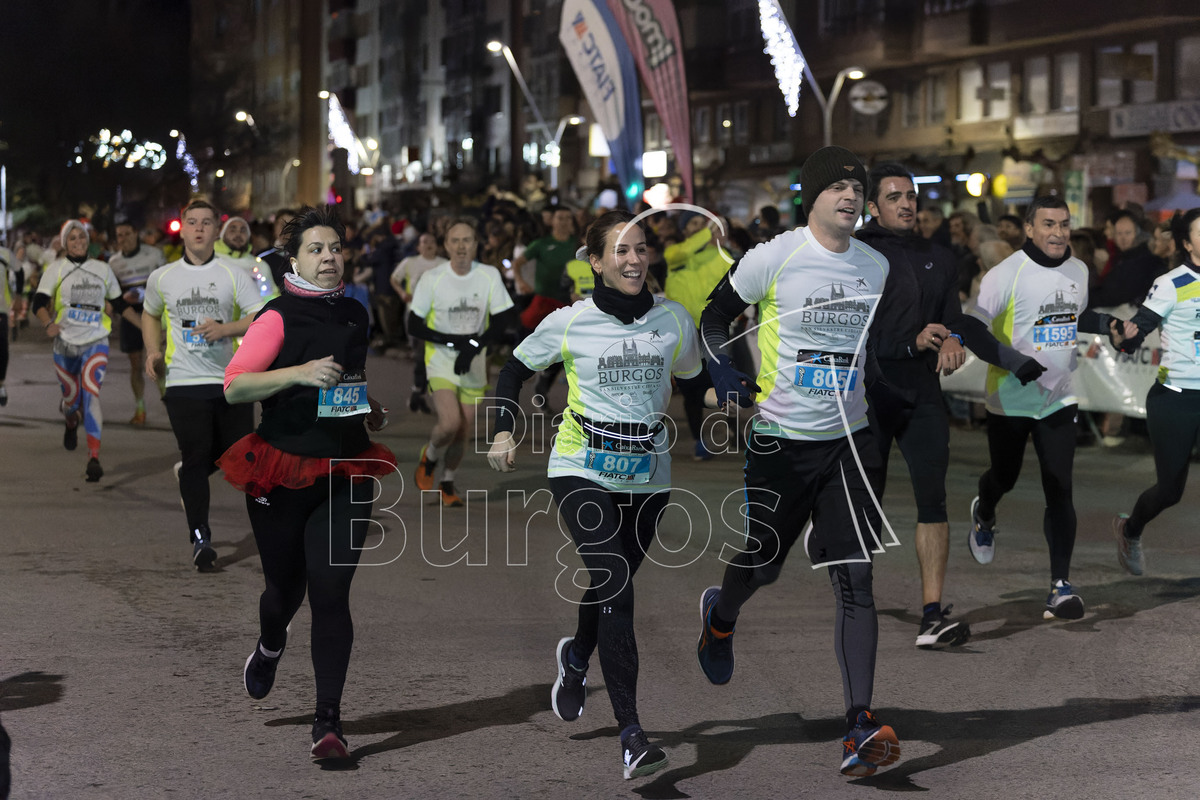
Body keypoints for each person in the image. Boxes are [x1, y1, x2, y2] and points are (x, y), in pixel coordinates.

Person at [695, 146, 901, 777]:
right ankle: (720, 618)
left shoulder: (876, 265)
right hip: (782, 439)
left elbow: (875, 344)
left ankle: (860, 726)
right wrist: (726, 374)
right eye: (837, 186)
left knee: (855, 577)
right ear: (811, 196)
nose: (850, 196)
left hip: (850, 439)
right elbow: (713, 318)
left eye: (857, 188)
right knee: (763, 565)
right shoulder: (775, 255)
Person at [487, 210, 702, 780]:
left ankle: (576, 655)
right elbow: (512, 370)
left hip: (649, 473)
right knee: (615, 584)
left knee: (616, 581)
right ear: (596, 262)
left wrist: (722, 393)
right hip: (580, 464)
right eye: (622, 251)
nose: (635, 260)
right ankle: (632, 733)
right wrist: (505, 429)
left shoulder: (673, 319)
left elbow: (693, 376)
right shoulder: (570, 321)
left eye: (641, 249)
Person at [218, 205, 394, 762]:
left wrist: (368, 407)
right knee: (282, 593)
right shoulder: (276, 316)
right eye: (316, 249)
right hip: (283, 468)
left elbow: (347, 382)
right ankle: (271, 645)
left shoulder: (355, 313)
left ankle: (329, 723)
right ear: (293, 260)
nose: (328, 257)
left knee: (331, 592)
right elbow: (235, 387)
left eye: (335, 248)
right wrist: (297, 373)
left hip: (346, 470)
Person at [857, 163, 1047, 649]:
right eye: (895, 196)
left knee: (933, 501)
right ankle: (855, 610)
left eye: (911, 195)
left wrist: (964, 344)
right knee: (865, 506)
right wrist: (909, 341)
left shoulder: (939, 258)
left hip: (922, 397)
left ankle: (931, 617)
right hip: (869, 396)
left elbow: (954, 322)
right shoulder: (855, 256)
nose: (906, 203)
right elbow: (853, 334)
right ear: (873, 206)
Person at [966, 195, 1125, 619]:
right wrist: (1013, 361)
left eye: (1064, 224)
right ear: (1030, 230)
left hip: (1059, 396)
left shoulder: (1078, 269)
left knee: (1060, 486)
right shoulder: (1006, 274)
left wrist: (1108, 324)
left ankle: (1060, 587)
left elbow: (1074, 316)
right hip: (1011, 398)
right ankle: (984, 511)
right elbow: (973, 330)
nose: (1058, 232)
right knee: (1005, 476)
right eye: (1048, 224)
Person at [142, 199, 266, 569]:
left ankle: (189, 476)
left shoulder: (233, 273)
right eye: (191, 222)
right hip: (183, 380)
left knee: (239, 458)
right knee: (196, 456)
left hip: (229, 380)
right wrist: (152, 351)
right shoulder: (162, 277)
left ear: (216, 230)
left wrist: (225, 329)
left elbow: (259, 315)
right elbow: (149, 314)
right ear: (182, 228)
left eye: (206, 223)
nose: (198, 229)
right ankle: (201, 538)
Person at [1108, 208, 1200, 575]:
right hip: (1175, 399)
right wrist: (1124, 339)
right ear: (1187, 243)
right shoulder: (1172, 283)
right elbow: (1138, 330)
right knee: (1170, 491)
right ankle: (1130, 530)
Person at [409, 219, 515, 507]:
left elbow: (505, 318)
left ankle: (447, 482)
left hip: (474, 364)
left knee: (464, 429)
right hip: (441, 361)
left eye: (467, 240)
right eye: (454, 240)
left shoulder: (489, 275)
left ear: (476, 245)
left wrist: (474, 345)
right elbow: (414, 324)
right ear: (446, 245)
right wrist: (449, 340)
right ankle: (429, 456)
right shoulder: (433, 278)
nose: (461, 246)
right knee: (450, 423)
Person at [32, 220, 134, 481]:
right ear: (65, 243)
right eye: (73, 239)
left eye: (82, 238)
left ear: (89, 241)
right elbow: (39, 303)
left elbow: (119, 304)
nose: (78, 242)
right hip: (64, 345)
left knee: (91, 396)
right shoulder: (56, 269)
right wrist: (48, 323)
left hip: (95, 341)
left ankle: (94, 458)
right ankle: (69, 421)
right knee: (71, 402)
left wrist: (144, 325)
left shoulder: (102, 269)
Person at [664, 212, 730, 461]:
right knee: (692, 387)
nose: (698, 228)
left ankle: (733, 430)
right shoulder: (674, 254)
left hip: (713, 331)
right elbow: (681, 252)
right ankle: (698, 440)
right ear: (684, 230)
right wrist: (708, 232)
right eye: (692, 224)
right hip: (683, 332)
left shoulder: (718, 256)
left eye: (701, 224)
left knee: (724, 381)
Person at [510, 206, 579, 402]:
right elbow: (517, 263)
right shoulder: (541, 244)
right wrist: (521, 281)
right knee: (523, 333)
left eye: (567, 217)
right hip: (543, 301)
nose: (564, 221)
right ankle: (516, 373)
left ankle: (544, 386)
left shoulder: (577, 246)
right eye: (560, 217)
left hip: (567, 303)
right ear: (552, 221)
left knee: (565, 348)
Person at [108, 219, 166, 425]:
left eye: (126, 234)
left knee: (157, 359)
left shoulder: (154, 254)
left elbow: (165, 282)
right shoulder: (113, 262)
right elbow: (113, 293)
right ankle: (140, 408)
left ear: (136, 233)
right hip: (130, 315)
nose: (122, 239)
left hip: (153, 311)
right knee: (135, 364)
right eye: (119, 235)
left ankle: (166, 399)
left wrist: (144, 293)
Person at [390, 231, 446, 413]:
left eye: (432, 241)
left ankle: (419, 393)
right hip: (416, 315)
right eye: (424, 242)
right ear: (418, 247)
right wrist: (402, 294)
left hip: (438, 317)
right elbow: (394, 279)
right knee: (421, 355)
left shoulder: (444, 265)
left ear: (437, 246)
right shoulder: (410, 263)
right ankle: (419, 392)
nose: (428, 244)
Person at [215, 215, 279, 301]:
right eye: (232, 230)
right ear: (222, 234)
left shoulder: (259, 265)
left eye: (243, 230)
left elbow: (270, 297)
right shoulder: (212, 260)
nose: (238, 234)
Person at [0, 244, 26, 407]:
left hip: (1, 309)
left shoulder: (4, 253)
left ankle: (0, 384)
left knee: (2, 346)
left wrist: (18, 296)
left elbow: (19, 271)